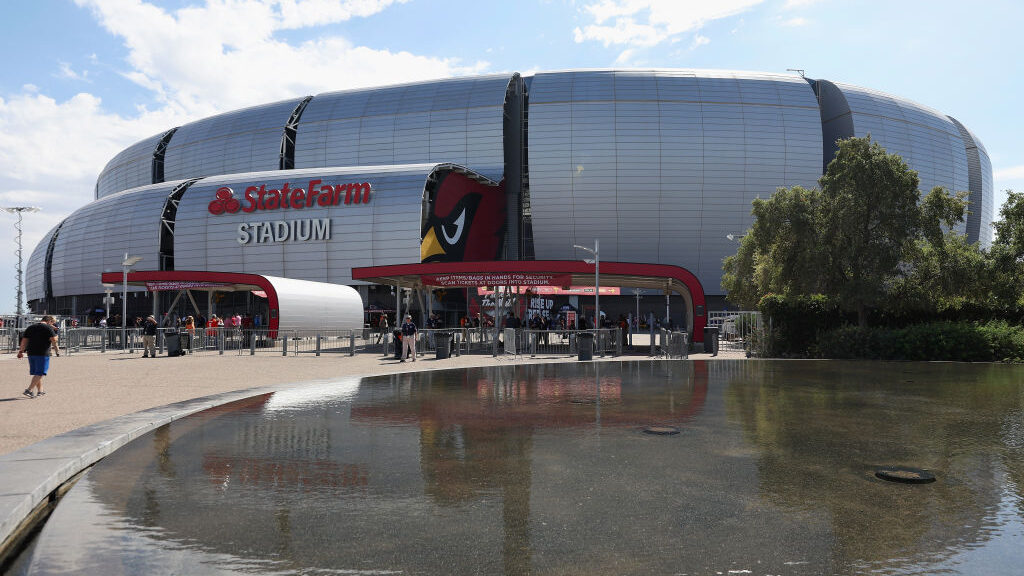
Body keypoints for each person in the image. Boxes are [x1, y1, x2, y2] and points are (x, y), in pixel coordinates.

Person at [17, 315, 59, 398]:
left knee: (37, 373)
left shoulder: (30, 327)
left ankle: (40, 391)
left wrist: (21, 351)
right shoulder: (48, 328)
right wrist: (56, 333)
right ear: (49, 321)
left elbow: (24, 341)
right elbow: (54, 340)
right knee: (40, 373)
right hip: (42, 353)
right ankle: (29, 390)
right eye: (52, 322)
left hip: (31, 353)